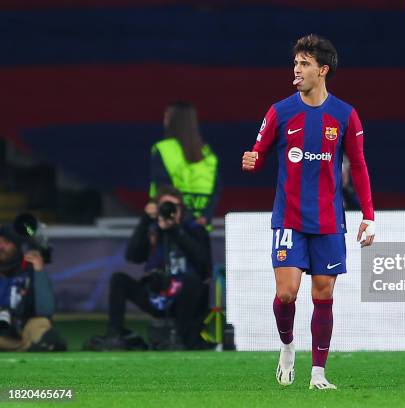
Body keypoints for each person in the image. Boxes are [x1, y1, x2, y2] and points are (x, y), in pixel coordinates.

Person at [242, 34, 375, 390]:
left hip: (329, 220)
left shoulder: (345, 115)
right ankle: (287, 346)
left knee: (323, 295)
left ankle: (318, 373)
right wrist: (252, 159)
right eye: (295, 63)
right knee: (286, 294)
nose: (296, 70)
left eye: (304, 64)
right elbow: (257, 152)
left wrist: (369, 215)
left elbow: (359, 166)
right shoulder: (280, 111)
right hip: (289, 217)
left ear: (322, 70)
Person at [85, 185, 212, 350]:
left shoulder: (194, 229)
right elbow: (132, 256)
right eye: (164, 206)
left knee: (192, 281)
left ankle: (181, 338)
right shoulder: (152, 229)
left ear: (182, 209)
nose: (169, 211)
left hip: (184, 298)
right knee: (118, 280)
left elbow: (204, 263)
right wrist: (145, 220)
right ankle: (114, 335)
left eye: (174, 207)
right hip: (156, 293)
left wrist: (175, 230)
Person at [149, 101, 220, 229]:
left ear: (173, 120)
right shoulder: (208, 155)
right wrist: (204, 217)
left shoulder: (163, 149)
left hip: (170, 227)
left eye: (166, 117)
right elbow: (216, 191)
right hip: (201, 230)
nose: (164, 121)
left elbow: (162, 188)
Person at [0, 226, 66, 351]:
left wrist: (39, 271)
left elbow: (46, 310)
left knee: (40, 324)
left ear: (18, 247)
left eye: (6, 243)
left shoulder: (30, 271)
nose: (0, 247)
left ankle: (35, 343)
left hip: (25, 325)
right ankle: (34, 345)